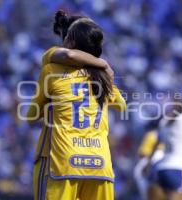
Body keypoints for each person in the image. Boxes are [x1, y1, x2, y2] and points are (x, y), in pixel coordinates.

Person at [27, 12, 126, 200]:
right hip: (100, 164)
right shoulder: (103, 78)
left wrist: (52, 105)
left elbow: (31, 115)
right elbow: (122, 106)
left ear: (69, 41)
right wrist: (104, 68)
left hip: (61, 161)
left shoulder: (51, 70)